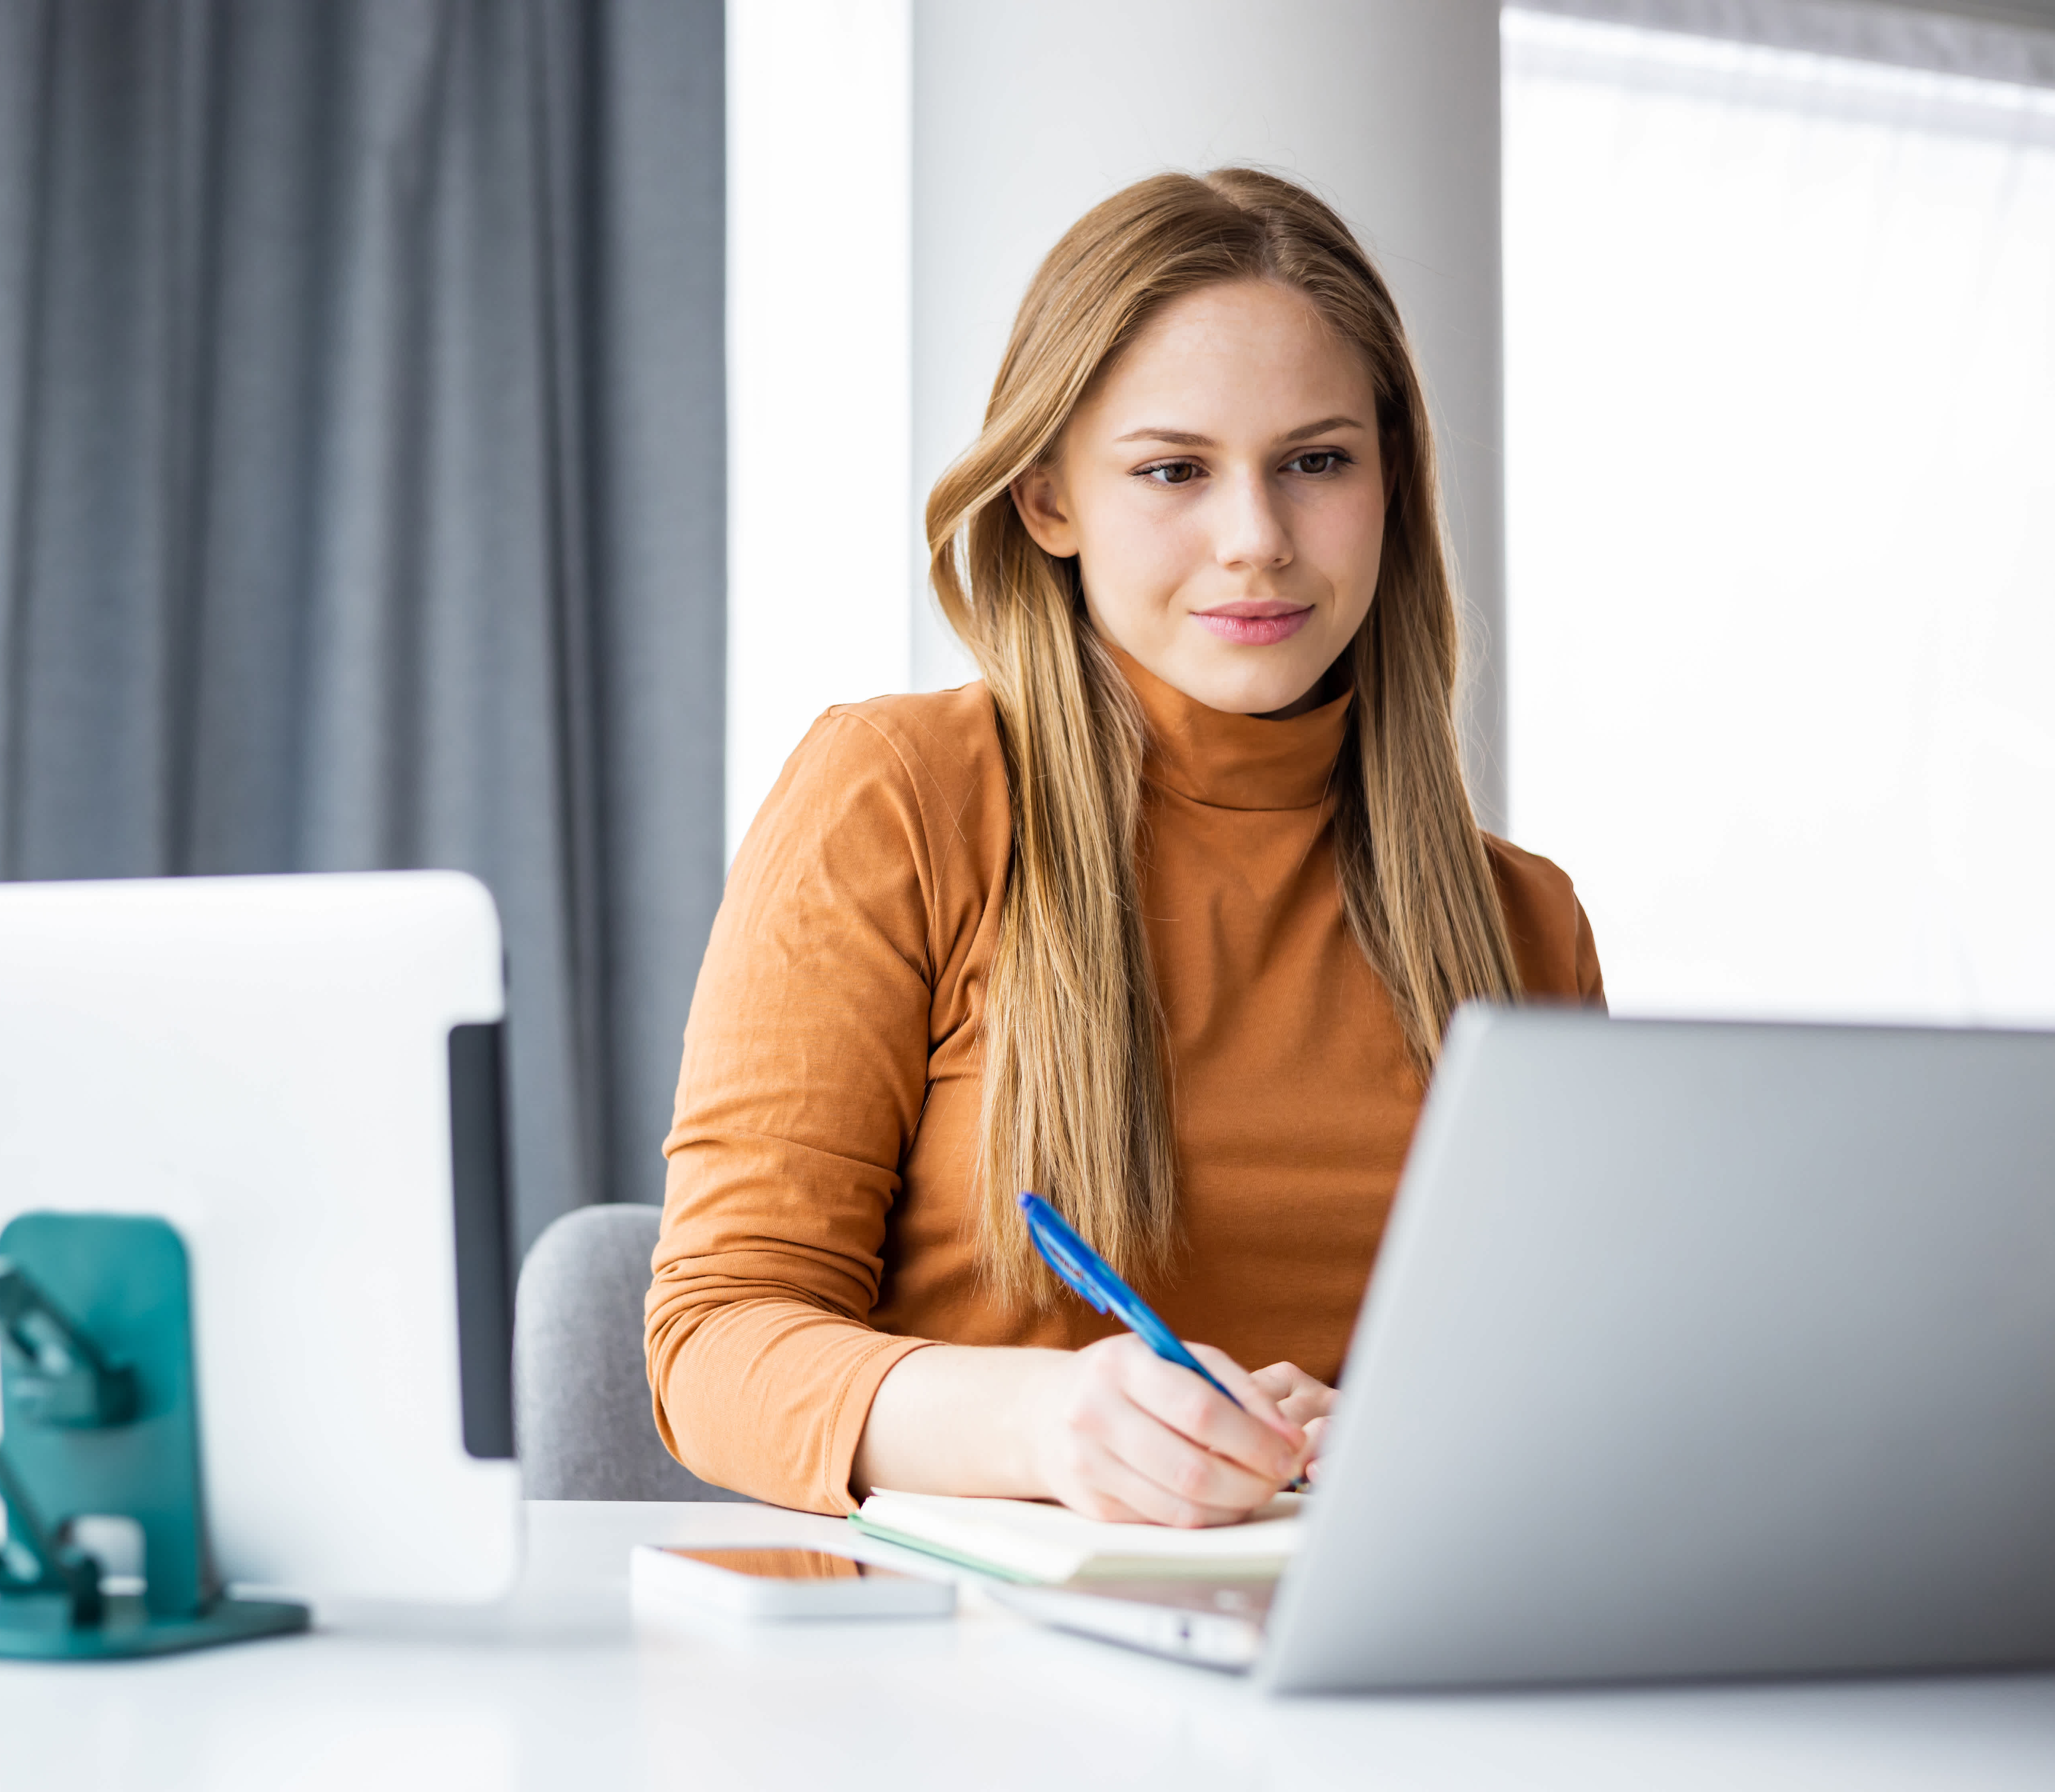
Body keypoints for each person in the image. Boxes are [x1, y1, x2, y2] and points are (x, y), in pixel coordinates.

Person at [648, 168, 1602, 1525]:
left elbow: (1573, 1390)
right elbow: (715, 1342)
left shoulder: (1527, 921)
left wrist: (1403, 1429)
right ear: (1048, 504)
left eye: (1318, 463)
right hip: (964, 1689)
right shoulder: (903, 797)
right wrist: (1042, 1425)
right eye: (1174, 472)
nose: (1258, 541)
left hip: (1380, 1657)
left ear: (1392, 482)